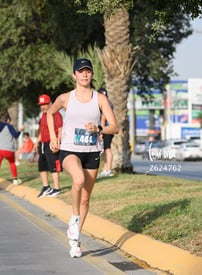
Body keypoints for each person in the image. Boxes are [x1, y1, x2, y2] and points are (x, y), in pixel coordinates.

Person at [46, 58, 118, 257]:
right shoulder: (65, 98)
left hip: (92, 152)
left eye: (88, 71)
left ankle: (75, 241)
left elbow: (115, 126)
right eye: (81, 71)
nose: (84, 74)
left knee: (86, 199)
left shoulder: (100, 99)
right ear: (74, 75)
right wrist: (53, 136)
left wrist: (99, 128)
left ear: (92, 74)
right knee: (78, 179)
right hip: (70, 149)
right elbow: (50, 114)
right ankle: (74, 219)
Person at [35, 94, 63, 198]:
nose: (43, 107)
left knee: (53, 166)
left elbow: (60, 130)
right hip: (43, 143)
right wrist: (37, 142)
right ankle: (46, 186)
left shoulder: (55, 114)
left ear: (50, 103)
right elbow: (42, 130)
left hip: (52, 143)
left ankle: (56, 188)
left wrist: (58, 142)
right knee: (42, 165)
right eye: (41, 105)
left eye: (45, 104)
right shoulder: (43, 115)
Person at [0, 112, 23, 194]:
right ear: (8, 120)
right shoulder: (9, 126)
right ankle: (15, 180)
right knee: (12, 163)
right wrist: (20, 130)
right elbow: (16, 136)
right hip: (8, 150)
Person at [97, 87, 115, 177]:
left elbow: (103, 118)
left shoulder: (105, 103)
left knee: (107, 149)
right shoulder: (109, 102)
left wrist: (101, 132)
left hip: (106, 129)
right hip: (107, 128)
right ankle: (106, 168)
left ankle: (108, 169)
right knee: (105, 149)